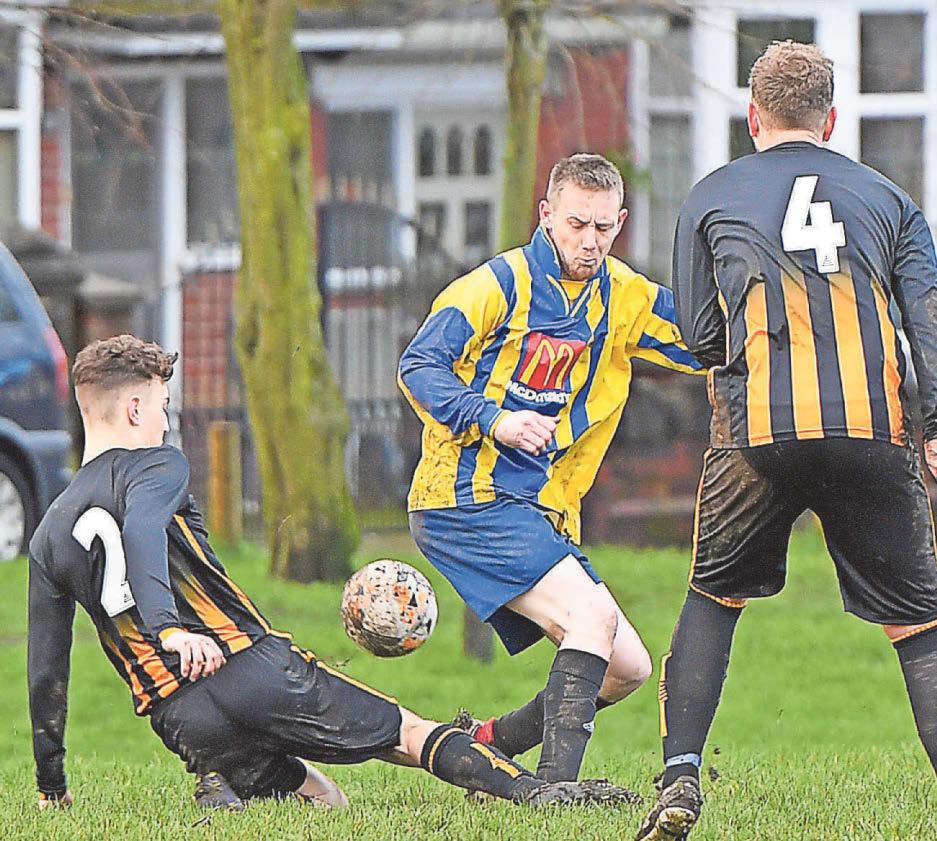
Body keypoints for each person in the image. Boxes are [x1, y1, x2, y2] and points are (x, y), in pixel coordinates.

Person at [28, 334, 633, 813]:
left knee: (322, 799)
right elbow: (138, 534)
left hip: (178, 716)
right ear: (135, 407)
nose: (166, 422)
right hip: (250, 668)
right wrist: (171, 630)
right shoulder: (156, 465)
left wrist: (51, 782)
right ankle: (541, 795)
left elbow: (46, 672)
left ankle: (221, 782)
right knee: (409, 735)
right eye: (162, 407)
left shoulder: (48, 533)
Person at [636, 41, 937, 841]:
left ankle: (678, 780)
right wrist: (932, 428)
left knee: (713, 595)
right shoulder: (891, 200)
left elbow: (701, 337)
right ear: (831, 119)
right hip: (873, 431)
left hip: (757, 434)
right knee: (916, 622)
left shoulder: (709, 196)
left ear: (752, 115)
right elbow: (927, 328)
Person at [399, 153, 703, 784]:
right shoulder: (495, 286)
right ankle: (555, 790)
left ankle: (486, 743)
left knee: (628, 668)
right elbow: (418, 365)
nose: (588, 242)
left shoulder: (623, 294)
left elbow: (709, 341)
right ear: (546, 216)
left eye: (602, 228)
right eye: (575, 225)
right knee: (590, 621)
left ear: (619, 222)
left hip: (539, 508)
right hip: (466, 498)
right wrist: (494, 418)